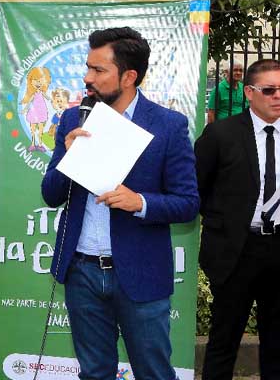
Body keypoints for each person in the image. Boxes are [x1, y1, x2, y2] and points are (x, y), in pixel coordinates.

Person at [41, 27, 199, 379]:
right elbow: (51, 194)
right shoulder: (73, 119)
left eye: (98, 71)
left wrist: (139, 202)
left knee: (153, 372)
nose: (87, 78)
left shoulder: (168, 126)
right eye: (88, 68)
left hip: (140, 274)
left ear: (129, 76)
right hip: (82, 271)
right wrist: (69, 160)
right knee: (95, 372)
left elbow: (188, 203)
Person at [196, 59, 280, 379]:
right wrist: (225, 223)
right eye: (269, 90)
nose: (277, 96)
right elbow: (197, 188)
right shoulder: (221, 134)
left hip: (279, 247)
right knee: (223, 341)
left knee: (276, 344)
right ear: (249, 93)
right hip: (235, 251)